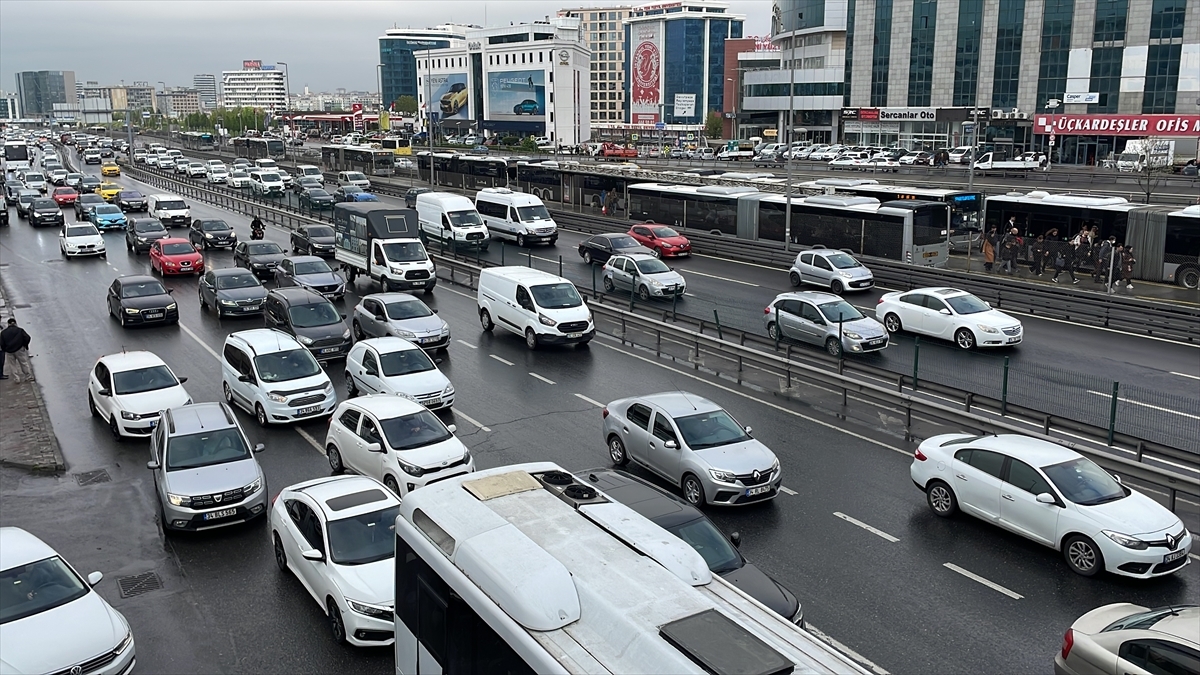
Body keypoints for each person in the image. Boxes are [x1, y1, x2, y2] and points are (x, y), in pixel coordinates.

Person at [0, 318, 32, 382]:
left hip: (9, 351)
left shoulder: (3, 332)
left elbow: (1, 343)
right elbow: (27, 337)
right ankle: (28, 376)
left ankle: (16, 378)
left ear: (8, 324)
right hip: (19, 349)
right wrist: (24, 345)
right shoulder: (20, 330)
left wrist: (5, 349)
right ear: (15, 323)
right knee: (23, 363)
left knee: (12, 365)